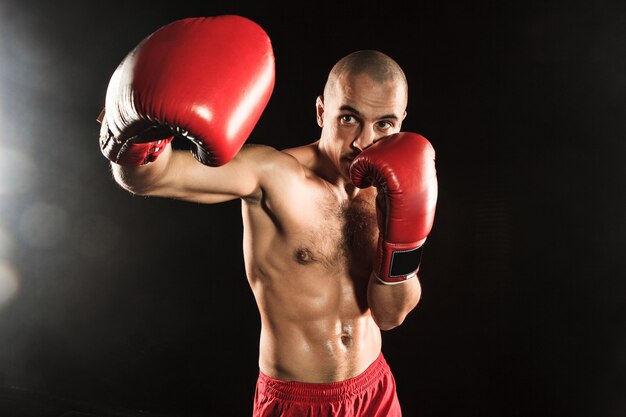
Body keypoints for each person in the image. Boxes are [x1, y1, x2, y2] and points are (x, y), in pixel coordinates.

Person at [97, 15, 437, 417]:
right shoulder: (272, 174)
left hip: (374, 389)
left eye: (384, 124)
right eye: (349, 118)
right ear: (321, 112)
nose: (364, 141)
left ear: (400, 123)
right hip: (297, 402)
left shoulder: (396, 184)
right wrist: (134, 132)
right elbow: (150, 178)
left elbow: (390, 315)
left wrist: (403, 246)